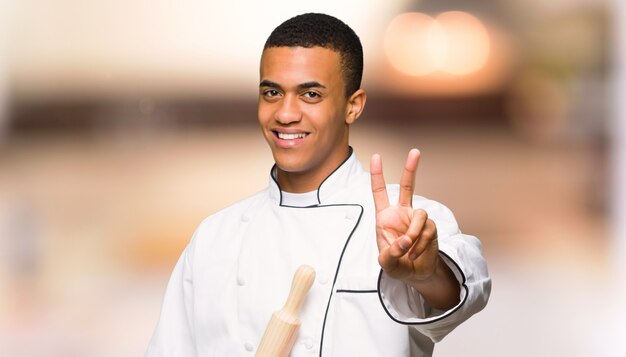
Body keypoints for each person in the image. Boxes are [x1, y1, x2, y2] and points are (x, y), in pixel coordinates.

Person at [146, 13, 490, 357]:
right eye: (272, 92)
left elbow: (465, 292)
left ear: (353, 106)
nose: (285, 114)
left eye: (310, 94)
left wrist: (425, 275)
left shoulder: (407, 222)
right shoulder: (214, 237)